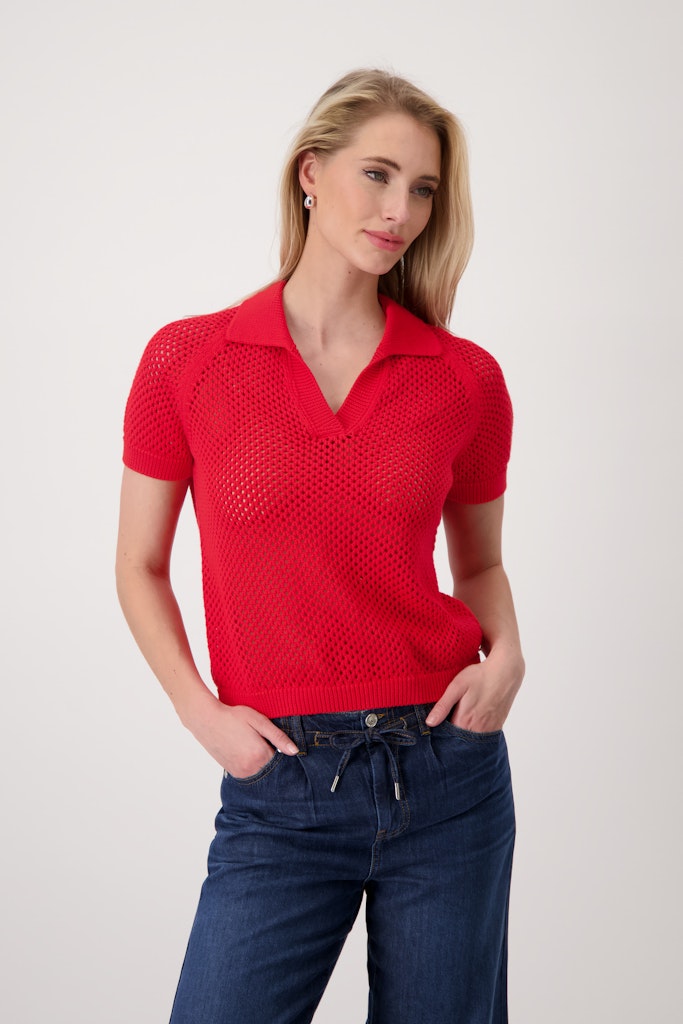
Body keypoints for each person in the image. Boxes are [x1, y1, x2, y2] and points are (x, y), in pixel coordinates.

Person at [116, 68, 525, 1024]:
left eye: (422, 189)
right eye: (376, 175)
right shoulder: (189, 361)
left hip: (448, 772)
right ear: (310, 172)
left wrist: (507, 654)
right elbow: (138, 565)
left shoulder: (464, 379)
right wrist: (201, 713)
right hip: (281, 783)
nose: (399, 211)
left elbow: (478, 564)